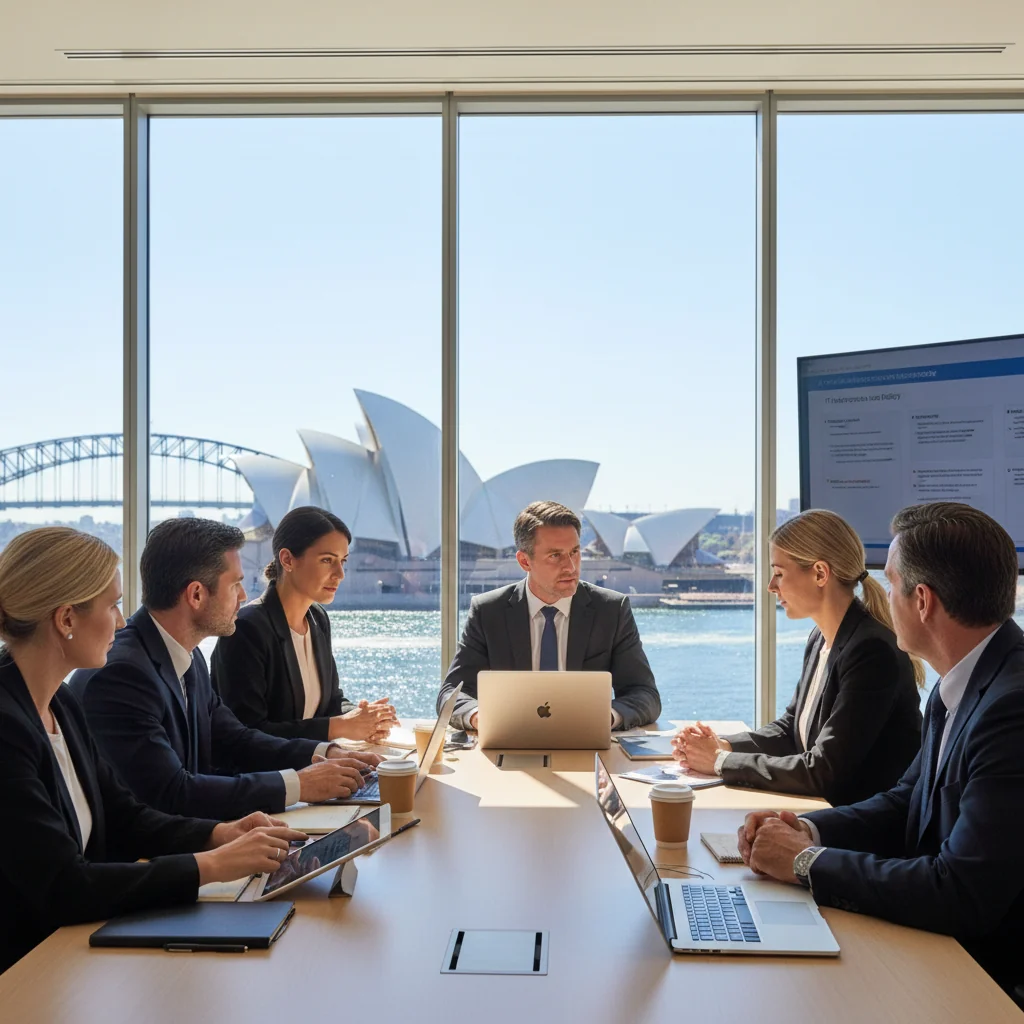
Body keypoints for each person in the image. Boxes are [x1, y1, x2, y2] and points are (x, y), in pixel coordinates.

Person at [737, 502, 1024, 994]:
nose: (882, 597)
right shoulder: (964, 680)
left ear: (923, 602)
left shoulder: (1011, 709)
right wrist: (805, 829)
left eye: (890, 584)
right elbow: (905, 802)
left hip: (982, 981)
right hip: (937, 948)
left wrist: (806, 862)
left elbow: (961, 891)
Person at [0, 528, 308, 973]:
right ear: (66, 619)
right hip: (27, 971)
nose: (123, 621)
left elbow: (126, 816)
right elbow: (64, 884)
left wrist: (217, 834)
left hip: (67, 954)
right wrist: (210, 865)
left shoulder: (60, 703)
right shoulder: (7, 729)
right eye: (112, 605)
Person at [70, 518, 380, 820]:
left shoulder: (185, 655)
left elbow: (234, 738)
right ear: (196, 595)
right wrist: (301, 785)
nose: (244, 596)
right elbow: (171, 793)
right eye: (235, 584)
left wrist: (326, 754)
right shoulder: (122, 674)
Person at [673, 509, 923, 805]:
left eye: (779, 573)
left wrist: (719, 762)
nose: (770, 586)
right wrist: (720, 745)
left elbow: (822, 770)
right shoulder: (821, 638)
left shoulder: (871, 652)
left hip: (860, 830)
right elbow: (791, 730)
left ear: (820, 573)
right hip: (825, 811)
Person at [438, 500, 661, 732]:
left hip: (587, 743)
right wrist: (480, 717)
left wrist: (606, 717)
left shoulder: (612, 610)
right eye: (555, 556)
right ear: (525, 561)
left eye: (574, 552)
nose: (571, 567)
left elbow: (645, 695)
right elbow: (451, 694)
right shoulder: (488, 611)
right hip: (509, 744)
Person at [211, 506, 397, 742]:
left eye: (343, 561)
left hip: (318, 766)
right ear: (288, 559)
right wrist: (339, 727)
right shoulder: (247, 629)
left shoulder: (318, 618)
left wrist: (363, 717)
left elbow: (331, 701)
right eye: (327, 560)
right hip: (272, 776)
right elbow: (248, 734)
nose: (340, 573)